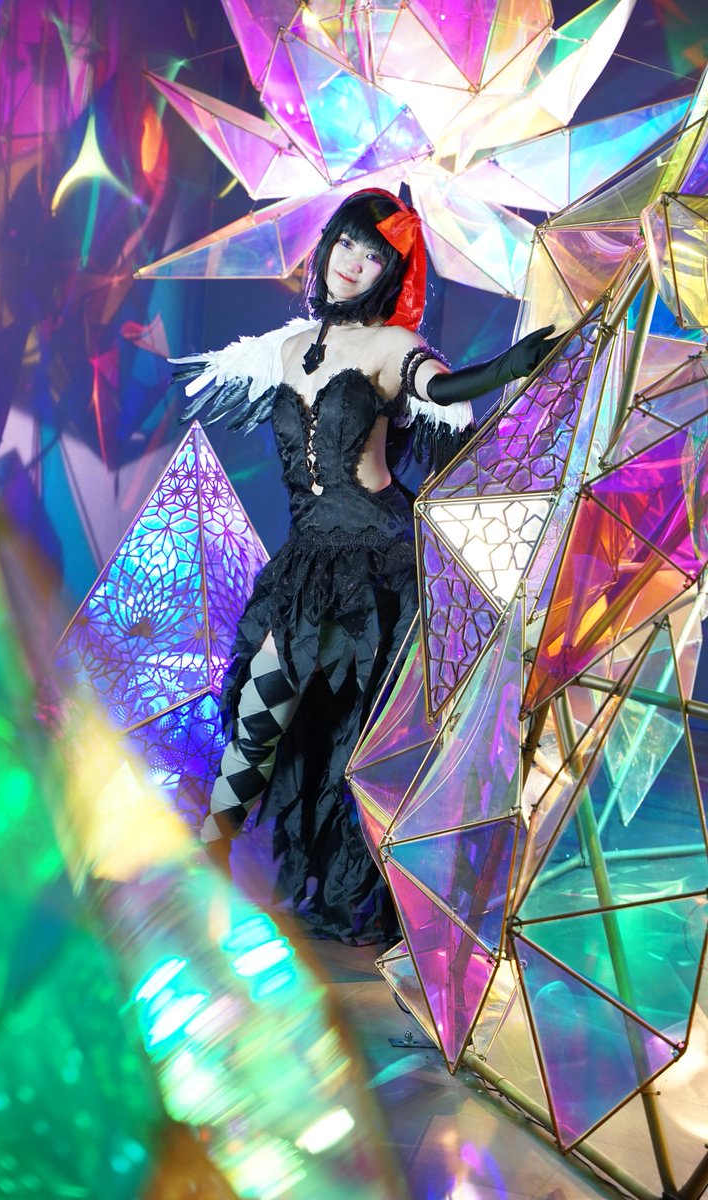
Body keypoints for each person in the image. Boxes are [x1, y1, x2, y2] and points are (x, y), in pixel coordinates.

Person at [171, 188, 556, 945]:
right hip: (307, 561)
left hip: (380, 567)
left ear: (391, 272)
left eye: (373, 254)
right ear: (326, 249)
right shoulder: (288, 348)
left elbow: (438, 388)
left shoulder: (392, 345)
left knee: (367, 740)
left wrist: (504, 368)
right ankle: (206, 859)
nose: (353, 262)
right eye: (346, 243)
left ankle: (391, 891)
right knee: (263, 708)